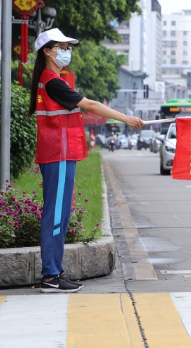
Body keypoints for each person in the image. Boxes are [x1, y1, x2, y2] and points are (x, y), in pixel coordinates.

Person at [28, 28, 144, 294]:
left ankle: (54, 272)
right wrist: (125, 118)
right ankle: (50, 276)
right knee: (55, 215)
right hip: (57, 152)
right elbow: (90, 105)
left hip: (61, 153)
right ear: (47, 51)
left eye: (68, 47)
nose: (66, 51)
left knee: (60, 213)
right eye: (61, 47)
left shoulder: (52, 79)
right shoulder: (52, 82)